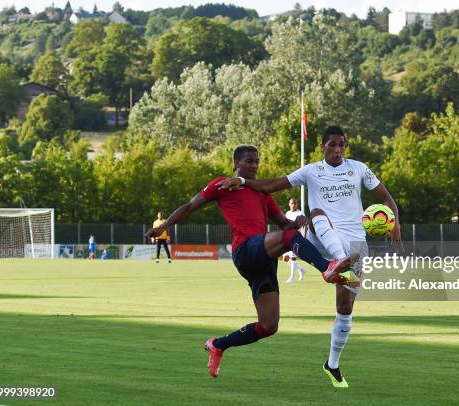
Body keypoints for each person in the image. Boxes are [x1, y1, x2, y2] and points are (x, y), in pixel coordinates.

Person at [145, 144, 360, 379]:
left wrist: (299, 220)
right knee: (290, 240)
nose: (254, 165)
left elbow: (283, 225)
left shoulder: (262, 192)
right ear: (236, 164)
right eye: (249, 161)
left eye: (257, 161)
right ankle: (327, 268)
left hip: (264, 258)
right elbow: (189, 207)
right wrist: (164, 226)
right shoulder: (222, 184)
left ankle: (217, 345)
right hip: (246, 251)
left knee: (268, 326)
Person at [217, 125, 401, 388]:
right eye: (332, 144)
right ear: (322, 147)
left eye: (341, 145)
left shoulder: (359, 168)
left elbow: (386, 198)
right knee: (316, 213)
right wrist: (243, 181)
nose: (337, 149)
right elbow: (272, 185)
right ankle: (336, 263)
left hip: (356, 245)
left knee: (345, 309)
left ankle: (332, 364)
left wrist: (395, 226)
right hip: (322, 238)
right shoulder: (311, 171)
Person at [284, 198, 306, 283]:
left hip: (296, 237)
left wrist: (303, 238)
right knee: (286, 258)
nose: (293, 205)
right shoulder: (288, 213)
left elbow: (304, 227)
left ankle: (292, 278)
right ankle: (301, 269)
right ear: (289, 204)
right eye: (292, 203)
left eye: (295, 203)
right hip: (287, 237)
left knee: (293, 258)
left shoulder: (300, 214)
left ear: (297, 204)